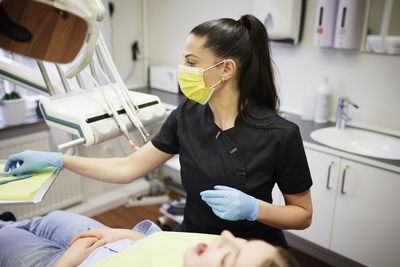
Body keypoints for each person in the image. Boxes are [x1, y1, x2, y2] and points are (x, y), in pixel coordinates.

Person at [4, 14, 313, 247]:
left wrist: (253, 208)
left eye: (192, 62)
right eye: (184, 60)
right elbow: (128, 167)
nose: (183, 70)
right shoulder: (187, 116)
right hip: (188, 243)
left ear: (226, 69)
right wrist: (59, 161)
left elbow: (302, 215)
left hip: (248, 253)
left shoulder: (280, 134)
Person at [0, 210, 299, 267]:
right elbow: (159, 242)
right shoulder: (198, 252)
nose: (225, 236)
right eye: (242, 242)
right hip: (108, 239)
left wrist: (66, 262)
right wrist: (123, 234)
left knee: (7, 235)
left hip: (61, 262)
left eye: (227, 258)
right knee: (42, 220)